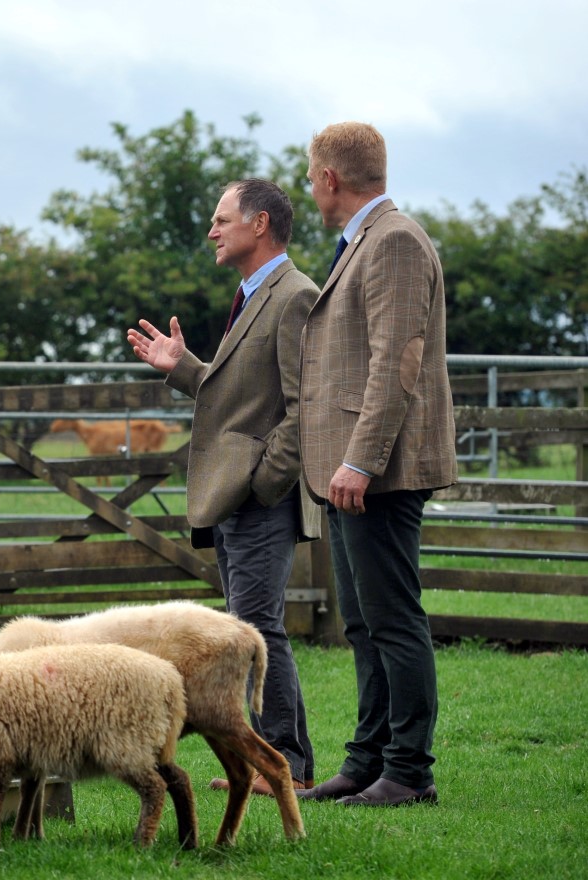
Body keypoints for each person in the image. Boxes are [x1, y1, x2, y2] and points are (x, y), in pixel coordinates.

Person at [126, 178, 321, 796]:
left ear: (259, 224)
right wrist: (182, 368)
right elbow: (242, 399)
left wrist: (265, 483)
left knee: (258, 630)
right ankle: (272, 756)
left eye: (222, 220)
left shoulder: (294, 297)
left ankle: (285, 760)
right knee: (245, 627)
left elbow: (303, 409)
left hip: (259, 499)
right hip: (236, 498)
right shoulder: (250, 294)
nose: (212, 230)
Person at [296, 122, 456, 807]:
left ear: (329, 178)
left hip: (379, 472)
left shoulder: (392, 241)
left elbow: (398, 360)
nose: (310, 188)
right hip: (352, 472)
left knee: (393, 619)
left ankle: (408, 773)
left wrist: (359, 460)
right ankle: (365, 763)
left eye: (310, 177)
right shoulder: (365, 240)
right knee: (361, 622)